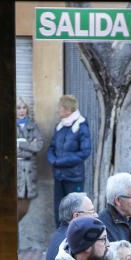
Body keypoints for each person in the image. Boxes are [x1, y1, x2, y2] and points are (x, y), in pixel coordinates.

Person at [47, 95, 91, 225]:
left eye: (60, 107)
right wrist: (52, 160)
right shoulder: (59, 126)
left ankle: (75, 240)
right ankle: (60, 239)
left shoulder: (81, 125)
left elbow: (85, 152)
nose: (57, 110)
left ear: (68, 109)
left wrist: (59, 162)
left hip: (74, 177)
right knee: (59, 210)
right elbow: (52, 147)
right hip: (59, 176)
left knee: (74, 210)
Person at [44, 191, 97, 260]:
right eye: (91, 212)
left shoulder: (61, 234)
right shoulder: (71, 242)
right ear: (76, 216)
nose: (96, 215)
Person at [16, 96, 44, 222]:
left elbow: (38, 145)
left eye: (24, 108)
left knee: (24, 207)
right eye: (18, 108)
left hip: (30, 171)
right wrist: (29, 145)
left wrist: (20, 144)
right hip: (15, 170)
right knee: (13, 203)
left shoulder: (33, 126)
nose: (21, 110)